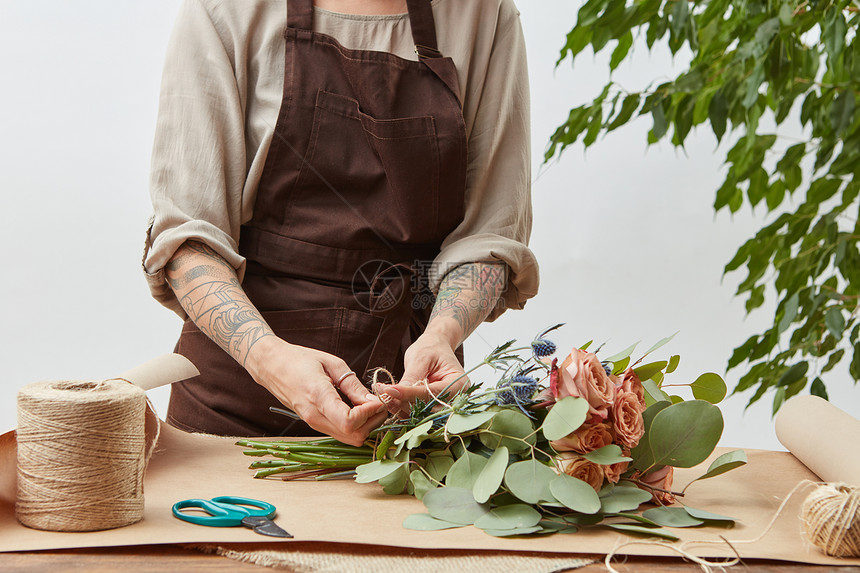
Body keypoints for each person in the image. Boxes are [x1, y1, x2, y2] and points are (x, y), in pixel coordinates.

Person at [143, 0, 539, 445]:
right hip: (234, 406)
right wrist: (269, 359)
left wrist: (443, 333)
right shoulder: (225, 9)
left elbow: (488, 238)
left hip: (408, 415)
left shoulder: (485, 15)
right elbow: (188, 243)